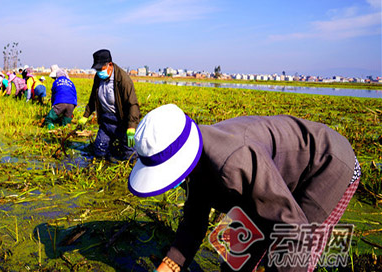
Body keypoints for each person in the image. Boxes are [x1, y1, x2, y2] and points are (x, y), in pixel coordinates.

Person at [128, 104, 361, 272]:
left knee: (291, 255)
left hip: (327, 165)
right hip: (270, 180)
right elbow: (193, 224)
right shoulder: (197, 163)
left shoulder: (234, 162)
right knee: (233, 259)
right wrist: (170, 266)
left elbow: (292, 229)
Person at [78, 49, 140, 161]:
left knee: (130, 155)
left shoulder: (123, 79)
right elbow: (93, 99)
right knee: (99, 151)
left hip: (121, 122)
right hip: (106, 122)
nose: (98, 72)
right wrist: (85, 116)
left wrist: (131, 126)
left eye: (100, 68)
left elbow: (133, 104)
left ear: (109, 65)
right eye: (96, 69)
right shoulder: (98, 78)